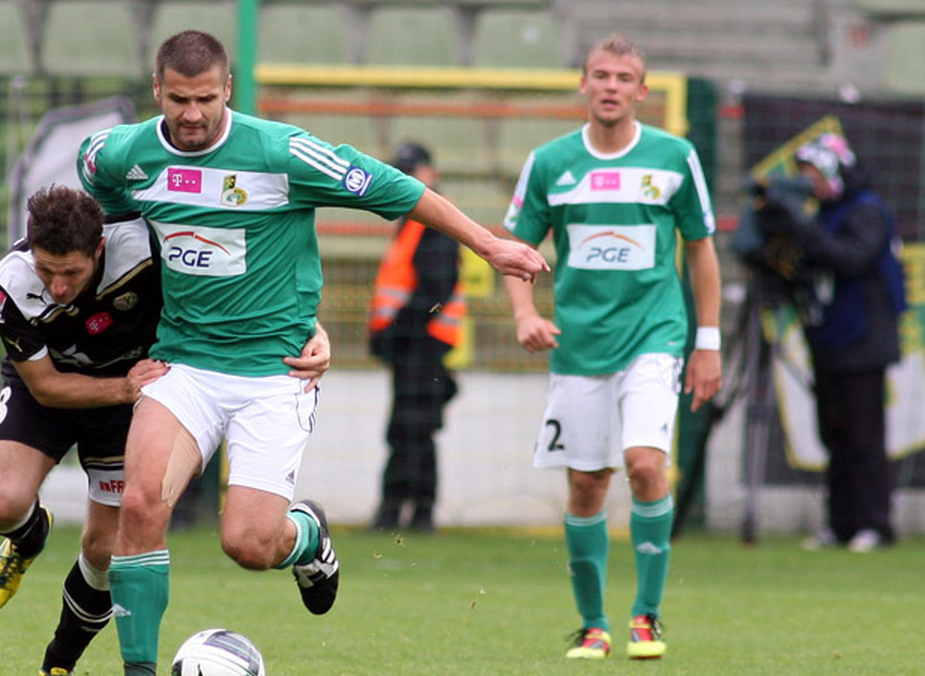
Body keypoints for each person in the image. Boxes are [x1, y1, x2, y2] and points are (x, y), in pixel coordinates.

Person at [77, 30, 549, 675]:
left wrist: (488, 245)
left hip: (276, 370)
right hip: (183, 363)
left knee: (247, 543)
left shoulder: (282, 152)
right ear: (156, 91)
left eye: (206, 99)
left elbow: (397, 190)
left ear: (228, 91)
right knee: (139, 505)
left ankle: (307, 537)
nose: (192, 115)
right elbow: (105, 201)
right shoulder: (120, 153)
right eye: (179, 100)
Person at [0, 185, 331, 676]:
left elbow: (234, 291)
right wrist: (122, 388)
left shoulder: (147, 248)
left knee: (104, 550)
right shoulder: (9, 284)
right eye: (46, 271)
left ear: (99, 247)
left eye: (71, 273)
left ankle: (57, 663)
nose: (57, 287)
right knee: (1, 504)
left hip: (137, 397)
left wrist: (310, 327)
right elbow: (47, 387)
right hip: (56, 391)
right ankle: (28, 537)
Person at [501, 34, 721, 660]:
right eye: (600, 75)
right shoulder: (550, 163)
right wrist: (525, 315)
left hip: (656, 333)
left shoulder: (674, 157)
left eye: (623, 78)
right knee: (587, 486)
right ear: (583, 84)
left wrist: (708, 342)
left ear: (642, 91)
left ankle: (646, 618)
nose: (610, 87)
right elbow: (516, 251)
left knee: (646, 464)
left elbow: (702, 249)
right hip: (579, 345)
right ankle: (593, 624)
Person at [758, 132, 905, 552]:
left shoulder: (867, 211)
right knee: (833, 434)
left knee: (863, 436)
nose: (811, 185)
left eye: (815, 175)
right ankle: (840, 525)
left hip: (863, 341)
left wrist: (802, 228)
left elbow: (851, 258)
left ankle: (875, 524)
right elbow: (807, 268)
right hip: (829, 338)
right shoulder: (821, 215)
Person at [368, 142, 465, 532]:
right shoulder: (416, 220)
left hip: (420, 345)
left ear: (429, 174)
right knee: (414, 430)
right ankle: (414, 510)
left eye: (409, 172)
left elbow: (434, 291)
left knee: (409, 431)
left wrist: (393, 334)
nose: (402, 180)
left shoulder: (431, 220)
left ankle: (401, 510)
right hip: (417, 345)